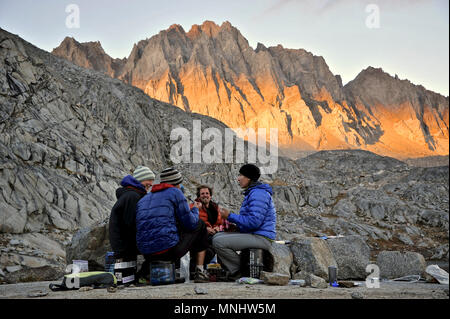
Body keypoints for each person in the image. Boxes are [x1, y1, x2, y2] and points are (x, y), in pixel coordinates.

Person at [136, 167, 210, 283]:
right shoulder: (175, 192)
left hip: (146, 253)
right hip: (167, 251)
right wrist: (195, 209)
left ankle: (156, 272)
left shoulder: (144, 198)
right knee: (200, 224)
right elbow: (190, 224)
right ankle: (199, 271)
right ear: (177, 184)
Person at [212, 163, 276, 280]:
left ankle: (240, 271)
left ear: (249, 178)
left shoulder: (258, 194)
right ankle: (233, 270)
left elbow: (254, 222)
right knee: (217, 236)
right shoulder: (253, 192)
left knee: (219, 242)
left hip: (262, 238)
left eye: (241, 175)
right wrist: (236, 228)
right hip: (255, 234)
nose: (238, 178)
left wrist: (229, 216)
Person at [108, 166, 155, 279]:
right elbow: (131, 224)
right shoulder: (133, 196)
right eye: (147, 183)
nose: (149, 187)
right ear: (139, 180)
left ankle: (141, 276)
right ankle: (144, 275)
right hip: (125, 245)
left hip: (124, 244)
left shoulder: (131, 194)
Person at [188, 185, 223, 270]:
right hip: (198, 238)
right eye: (202, 193)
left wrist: (217, 228)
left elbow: (220, 223)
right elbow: (191, 221)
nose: (205, 195)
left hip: (212, 236)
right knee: (209, 251)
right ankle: (195, 269)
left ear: (210, 196)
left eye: (207, 193)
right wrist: (204, 229)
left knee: (221, 243)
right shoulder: (194, 206)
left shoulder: (215, 207)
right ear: (199, 196)